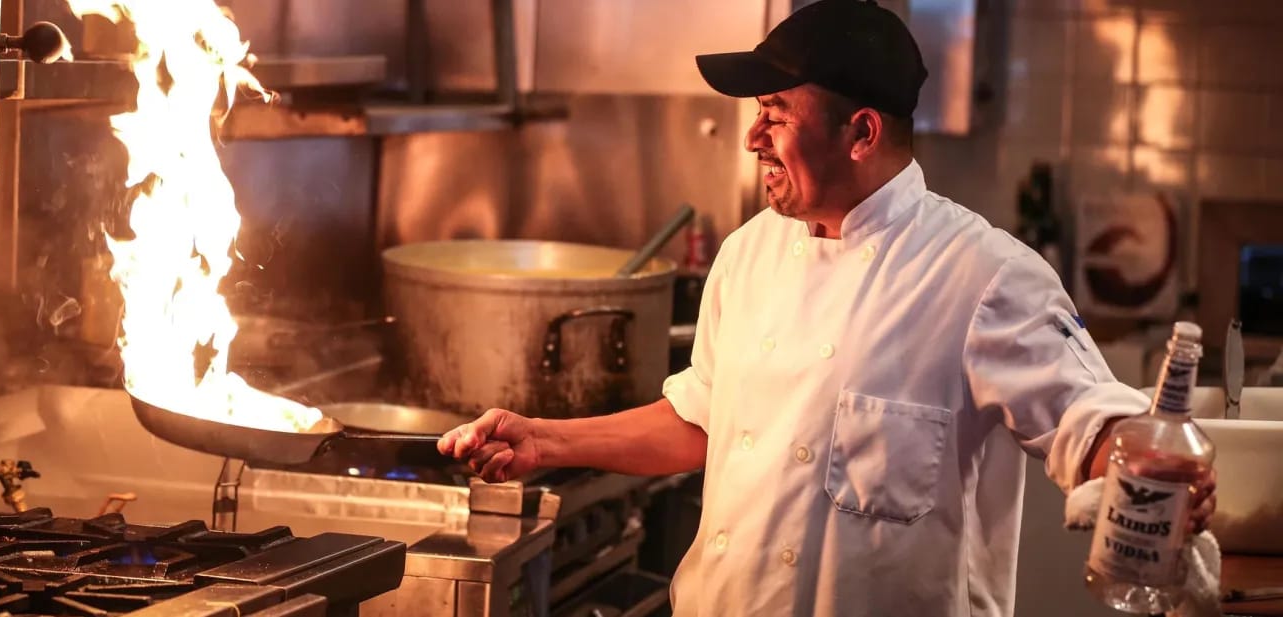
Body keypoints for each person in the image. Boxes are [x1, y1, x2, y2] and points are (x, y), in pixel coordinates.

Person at [436, 0, 1216, 614]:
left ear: (861, 132)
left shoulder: (980, 275)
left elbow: (1090, 417)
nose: (751, 138)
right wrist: (544, 439)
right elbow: (706, 423)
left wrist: (1137, 453)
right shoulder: (747, 256)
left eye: (775, 111)